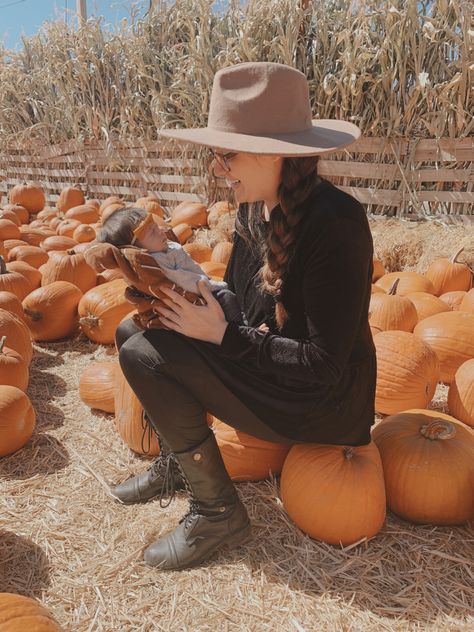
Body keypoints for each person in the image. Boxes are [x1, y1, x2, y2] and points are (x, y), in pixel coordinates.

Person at [111, 62, 376, 571]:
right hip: (268, 366)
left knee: (146, 355)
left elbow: (324, 365)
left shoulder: (336, 225)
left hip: (323, 405)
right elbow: (241, 302)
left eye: (226, 155)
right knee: (133, 330)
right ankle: (178, 465)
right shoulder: (254, 209)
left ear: (273, 153)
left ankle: (218, 513)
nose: (217, 167)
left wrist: (222, 337)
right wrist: (184, 296)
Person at [95, 206, 247, 326]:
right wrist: (210, 285)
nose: (161, 231)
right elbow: (183, 280)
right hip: (197, 296)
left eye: (157, 226)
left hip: (200, 287)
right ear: (137, 249)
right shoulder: (156, 264)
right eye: (153, 232)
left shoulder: (165, 248)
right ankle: (243, 329)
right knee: (227, 299)